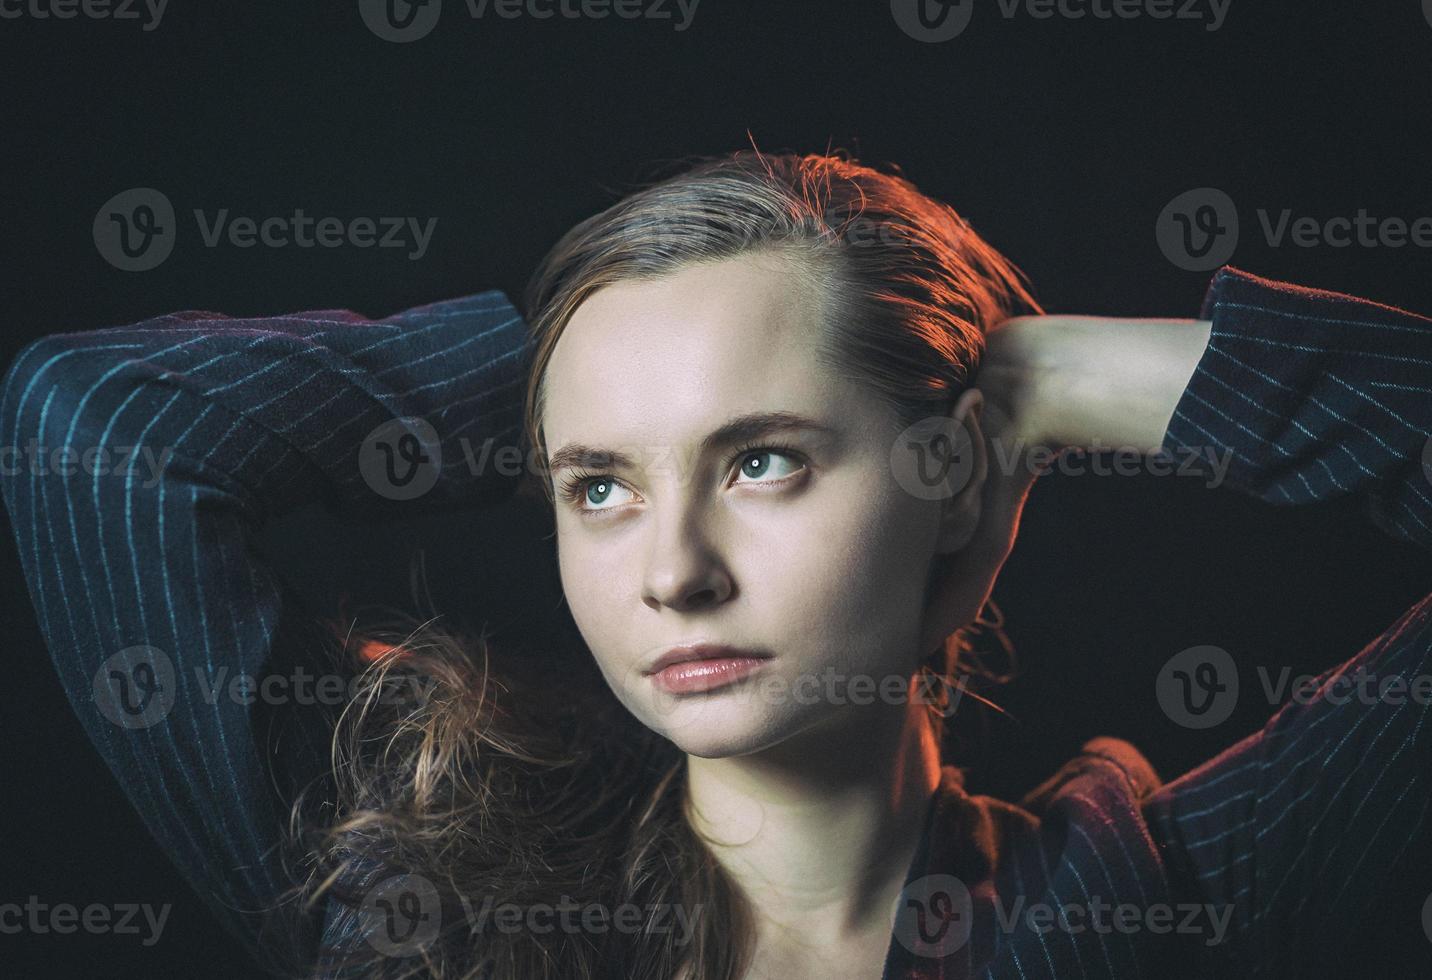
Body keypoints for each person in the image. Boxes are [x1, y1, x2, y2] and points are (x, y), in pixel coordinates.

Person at [2, 150, 1429, 979]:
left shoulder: (1164, 905)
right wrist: (564, 375)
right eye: (600, 490)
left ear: (953, 480)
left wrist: (1052, 377)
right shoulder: (416, 892)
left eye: (762, 461)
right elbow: (100, 426)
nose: (671, 573)